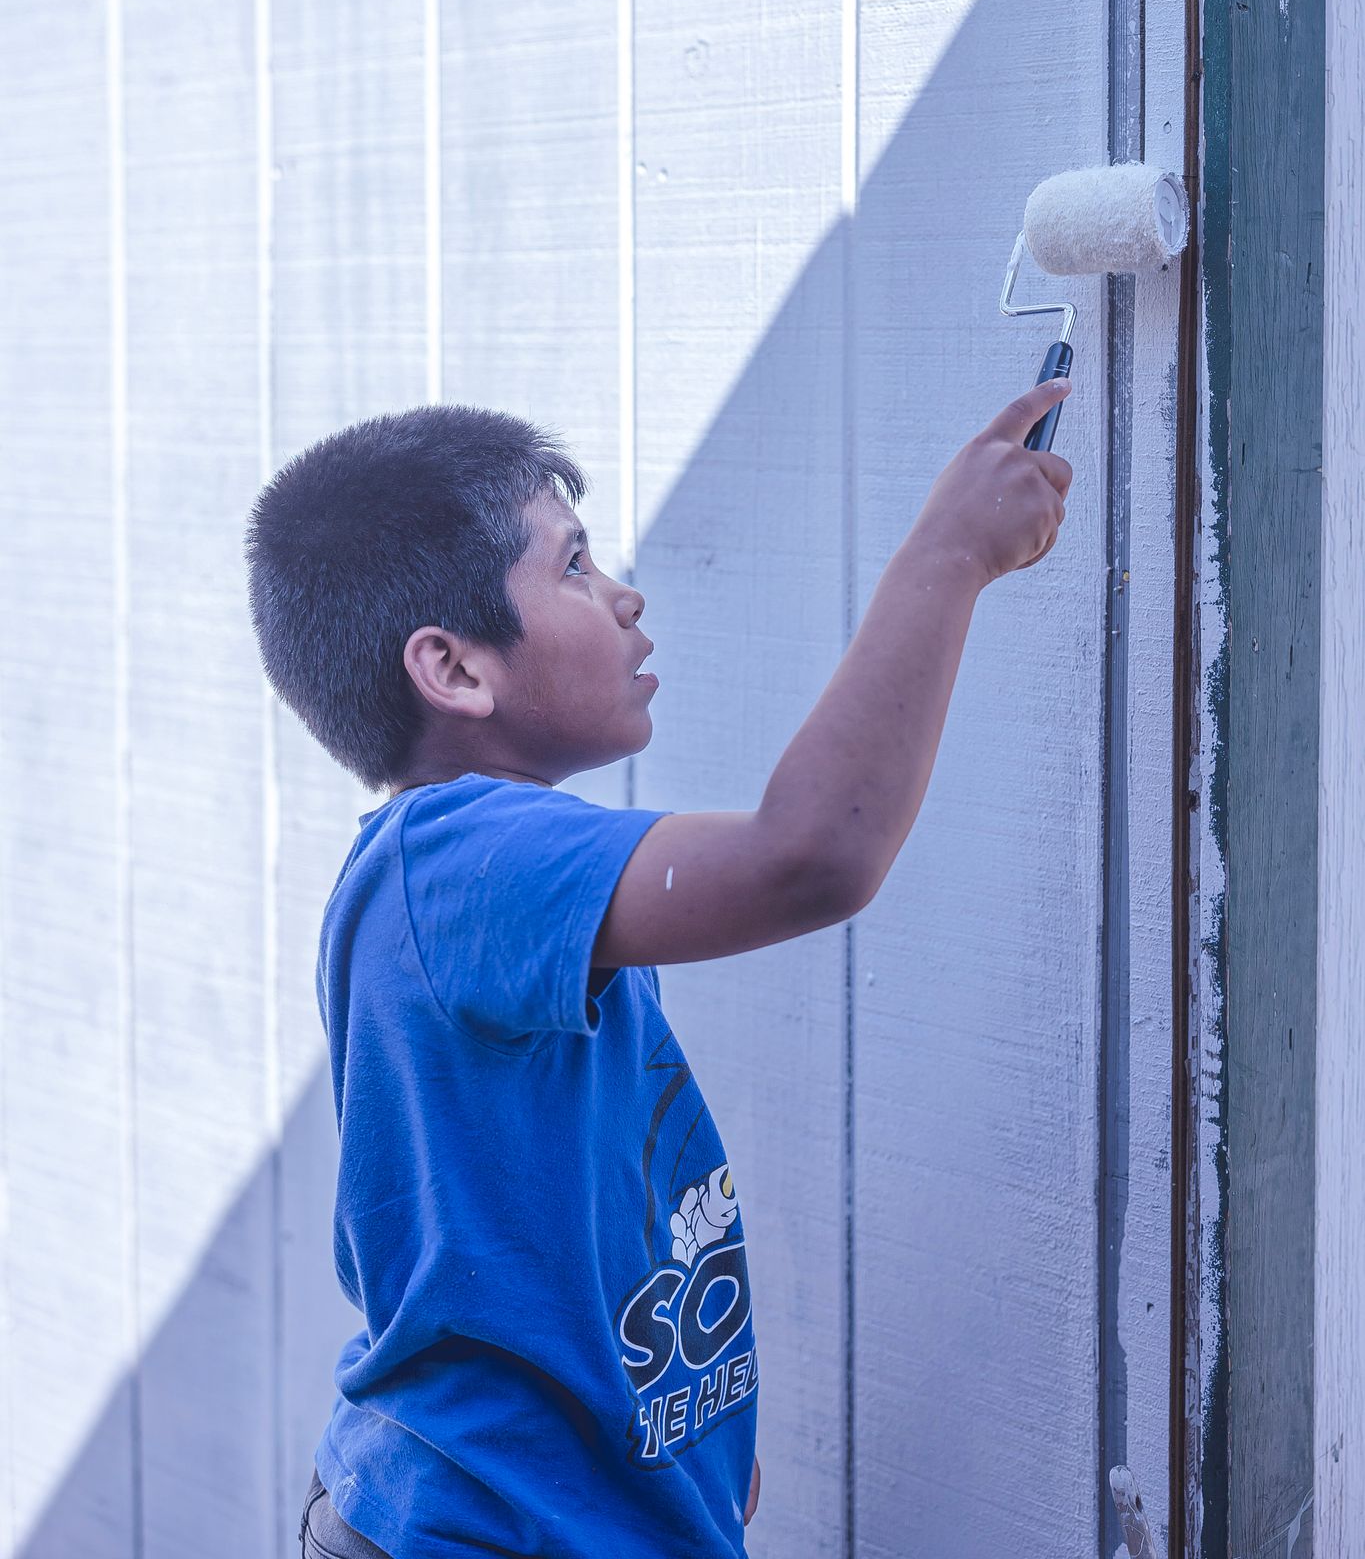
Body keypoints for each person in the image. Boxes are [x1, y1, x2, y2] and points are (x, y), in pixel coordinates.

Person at [244, 377, 1072, 1559]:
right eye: (573, 565)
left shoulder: (500, 873)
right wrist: (946, 554)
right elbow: (812, 853)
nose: (624, 595)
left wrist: (688, 1451)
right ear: (456, 669)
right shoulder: (456, 859)